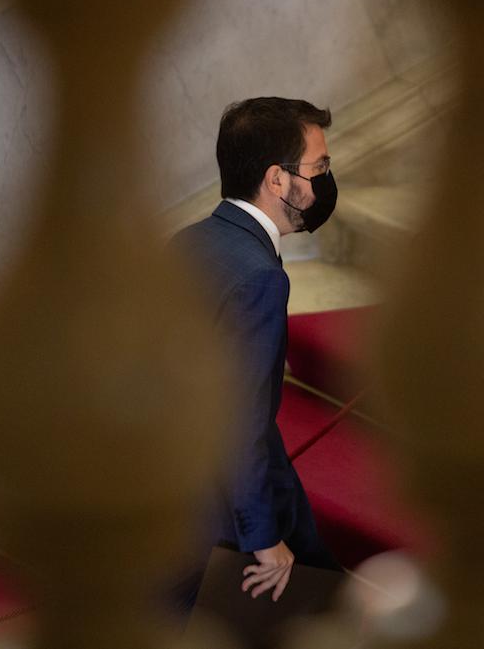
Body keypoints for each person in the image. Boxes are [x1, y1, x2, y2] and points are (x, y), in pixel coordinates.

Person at [169, 97, 342, 610]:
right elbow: (238, 423)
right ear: (277, 180)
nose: (327, 180)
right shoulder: (261, 280)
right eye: (320, 168)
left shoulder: (188, 240)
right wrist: (263, 538)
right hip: (217, 515)